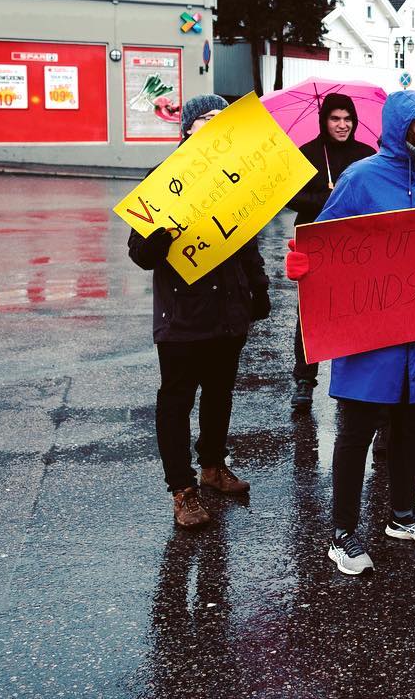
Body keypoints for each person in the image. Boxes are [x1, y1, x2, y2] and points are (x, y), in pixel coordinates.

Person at [286, 90, 415, 574]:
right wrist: (303, 262)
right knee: (357, 429)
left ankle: (402, 515)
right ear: (400, 124)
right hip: (369, 331)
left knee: (407, 425)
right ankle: (342, 532)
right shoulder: (361, 178)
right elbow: (324, 237)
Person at [127, 95, 270, 529]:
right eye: (206, 118)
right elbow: (140, 254)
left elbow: (247, 242)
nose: (214, 124)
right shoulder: (163, 180)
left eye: (220, 119)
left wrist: (258, 292)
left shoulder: (234, 179)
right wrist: (162, 234)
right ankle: (182, 490)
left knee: (220, 394)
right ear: (188, 128)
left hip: (228, 312)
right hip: (182, 316)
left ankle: (212, 467)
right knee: (176, 402)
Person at [286, 94, 376, 408]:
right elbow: (292, 197)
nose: (342, 125)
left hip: (354, 244)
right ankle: (304, 379)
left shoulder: (366, 155)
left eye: (347, 119)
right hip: (314, 240)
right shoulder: (307, 153)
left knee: (353, 309)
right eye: (335, 119)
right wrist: (331, 200)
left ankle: (351, 381)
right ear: (324, 121)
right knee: (310, 313)